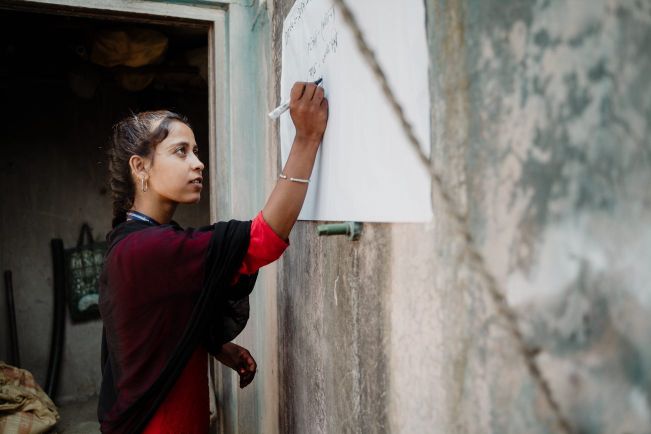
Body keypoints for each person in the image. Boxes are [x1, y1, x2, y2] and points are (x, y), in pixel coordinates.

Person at [98, 81, 328, 433]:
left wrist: (213, 344)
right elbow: (261, 239)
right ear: (140, 167)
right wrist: (307, 139)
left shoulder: (130, 238)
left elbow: (158, 321)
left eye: (196, 151)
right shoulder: (146, 249)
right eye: (181, 151)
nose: (198, 163)